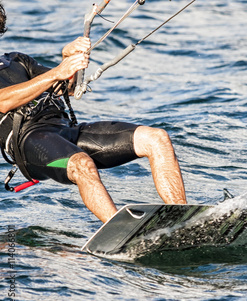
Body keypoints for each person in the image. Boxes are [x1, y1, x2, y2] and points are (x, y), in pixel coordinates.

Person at [0, 3, 187, 223]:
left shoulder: (17, 60)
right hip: (31, 148)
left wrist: (68, 60)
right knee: (82, 164)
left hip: (64, 130)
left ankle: (182, 218)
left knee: (156, 138)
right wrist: (58, 71)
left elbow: (65, 88)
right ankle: (118, 231)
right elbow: (3, 101)